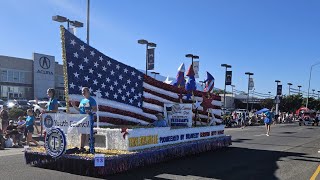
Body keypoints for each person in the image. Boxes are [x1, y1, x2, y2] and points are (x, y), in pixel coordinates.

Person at [71, 87, 97, 151]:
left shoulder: (91, 100)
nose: (83, 93)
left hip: (89, 118)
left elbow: (95, 109)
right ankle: (82, 147)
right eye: (82, 91)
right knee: (82, 132)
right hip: (82, 118)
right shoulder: (82, 100)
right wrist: (74, 106)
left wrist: (90, 111)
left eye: (84, 91)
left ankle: (91, 147)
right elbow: (79, 109)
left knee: (89, 133)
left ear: (88, 92)